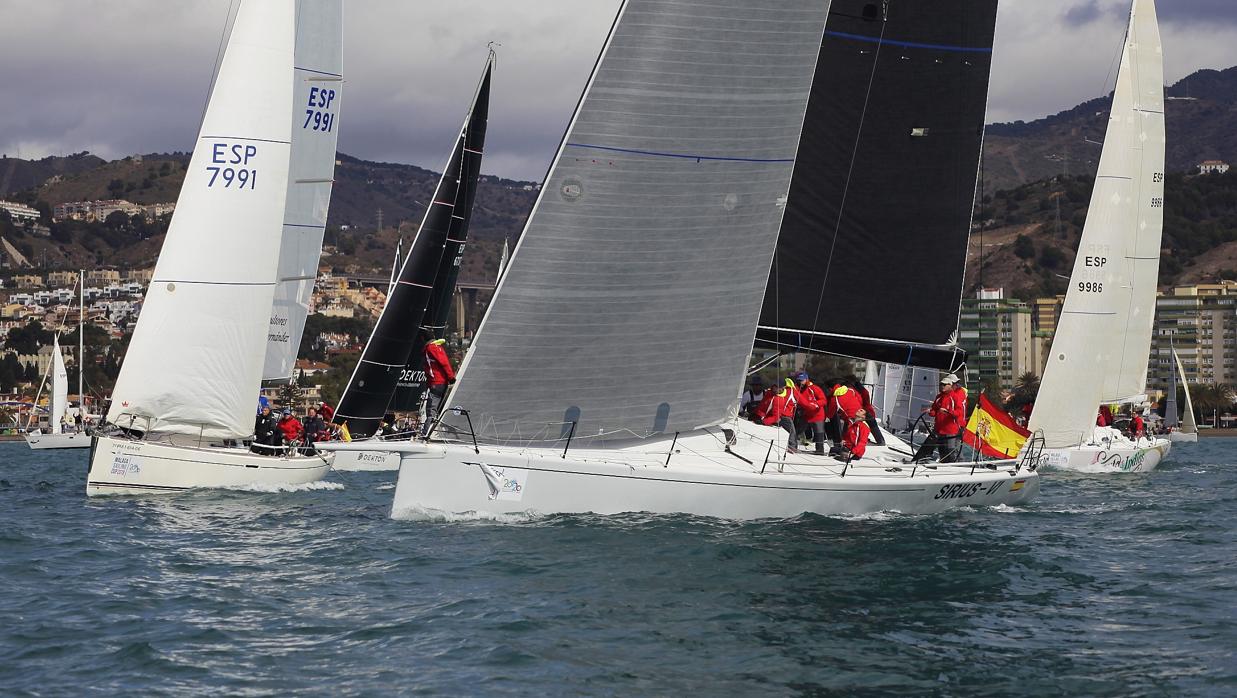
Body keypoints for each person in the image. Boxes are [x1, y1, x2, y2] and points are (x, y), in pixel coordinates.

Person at [909, 373, 967, 463]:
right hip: (938, 429)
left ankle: (958, 467)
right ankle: (927, 460)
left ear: (950, 385)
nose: (942, 386)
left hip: (950, 430)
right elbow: (935, 410)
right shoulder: (939, 397)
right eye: (941, 384)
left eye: (944, 384)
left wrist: (948, 412)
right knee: (941, 449)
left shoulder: (955, 397)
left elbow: (959, 412)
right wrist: (930, 411)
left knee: (951, 450)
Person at [421, 333, 456, 436]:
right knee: (435, 409)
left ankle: (427, 434)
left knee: (431, 410)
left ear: (424, 338)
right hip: (437, 383)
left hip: (437, 383)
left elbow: (444, 362)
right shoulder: (432, 347)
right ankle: (436, 433)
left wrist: (451, 377)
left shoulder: (432, 348)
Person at [824, 381, 862, 454]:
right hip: (860, 413)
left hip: (851, 417)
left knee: (851, 433)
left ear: (831, 389)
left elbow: (831, 410)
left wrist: (827, 417)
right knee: (854, 431)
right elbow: (859, 398)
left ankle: (850, 449)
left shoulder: (835, 398)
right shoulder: (850, 390)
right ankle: (849, 447)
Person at [795, 372, 828, 455]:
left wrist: (815, 404)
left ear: (806, 380)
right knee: (798, 430)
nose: (800, 382)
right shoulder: (796, 389)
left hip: (817, 414)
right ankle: (792, 446)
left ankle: (820, 450)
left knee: (819, 432)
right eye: (799, 381)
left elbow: (823, 400)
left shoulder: (814, 388)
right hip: (805, 414)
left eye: (802, 380)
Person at [762, 381, 798, 453]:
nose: (776, 389)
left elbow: (803, 401)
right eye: (775, 387)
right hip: (773, 416)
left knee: (790, 428)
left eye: (778, 388)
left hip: (784, 416)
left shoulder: (790, 392)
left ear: (783, 387)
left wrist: (813, 406)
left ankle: (792, 446)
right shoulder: (769, 393)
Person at [851, 378, 884, 446]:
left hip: (862, 410)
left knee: (856, 425)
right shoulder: (864, 391)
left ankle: (857, 438)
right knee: (873, 425)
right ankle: (880, 440)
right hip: (868, 410)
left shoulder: (856, 392)